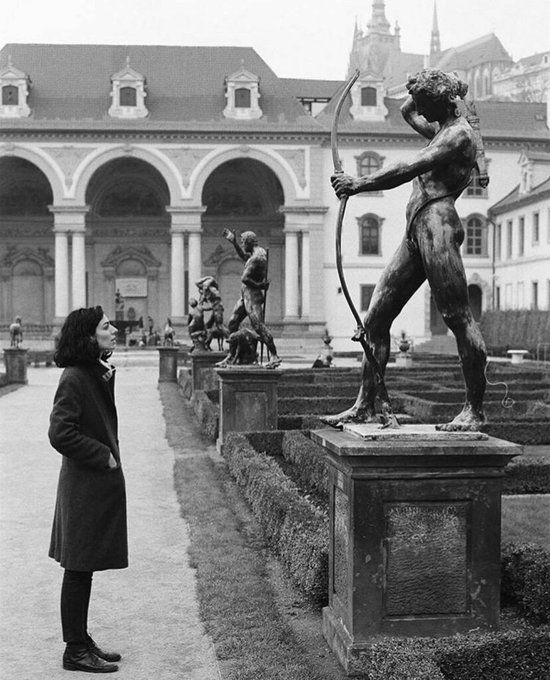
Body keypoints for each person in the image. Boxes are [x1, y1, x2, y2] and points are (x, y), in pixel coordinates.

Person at [329, 69, 487, 431]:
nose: (421, 109)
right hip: (417, 229)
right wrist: (416, 89)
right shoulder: (441, 128)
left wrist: (359, 183)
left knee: (458, 319)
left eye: (427, 102)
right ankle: (366, 404)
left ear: (442, 101)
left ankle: (474, 410)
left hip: (438, 228)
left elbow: (408, 167)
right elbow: (404, 110)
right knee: (375, 320)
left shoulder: (459, 136)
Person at [48, 306, 127, 673]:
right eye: (105, 326)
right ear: (88, 336)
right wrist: (103, 456)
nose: (114, 329)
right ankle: (74, 650)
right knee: (78, 568)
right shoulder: (75, 376)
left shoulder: (91, 371)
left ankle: (81, 639)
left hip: (92, 486)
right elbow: (60, 433)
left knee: (84, 567)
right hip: (84, 486)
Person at [219, 228, 281, 368]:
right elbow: (244, 258)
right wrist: (234, 243)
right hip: (246, 295)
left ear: (248, 242)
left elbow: (245, 278)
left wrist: (259, 285)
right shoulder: (256, 254)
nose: (242, 245)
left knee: (258, 327)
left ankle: (274, 356)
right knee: (233, 323)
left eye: (242, 242)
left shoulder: (257, 258)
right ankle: (231, 355)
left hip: (252, 295)